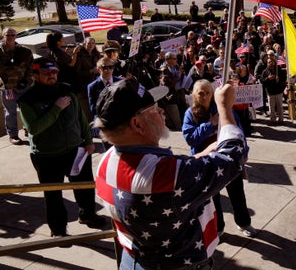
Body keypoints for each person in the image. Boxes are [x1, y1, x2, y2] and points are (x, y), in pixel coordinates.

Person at [94, 78, 247, 269]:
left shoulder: (105, 162)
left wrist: (197, 158)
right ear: (137, 124)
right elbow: (233, 158)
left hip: (133, 260)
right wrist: (224, 107)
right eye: (155, 108)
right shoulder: (168, 174)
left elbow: (165, 179)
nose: (161, 111)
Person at [17, 58, 106, 238]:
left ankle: (87, 215)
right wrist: (56, 108)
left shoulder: (66, 90)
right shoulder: (27, 99)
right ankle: (58, 230)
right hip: (47, 155)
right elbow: (33, 128)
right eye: (47, 73)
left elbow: (80, 117)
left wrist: (88, 141)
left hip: (76, 149)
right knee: (53, 195)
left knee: (85, 187)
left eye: (54, 72)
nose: (52, 76)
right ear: (35, 75)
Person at [182, 80, 256, 240]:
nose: (205, 96)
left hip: (227, 158)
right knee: (212, 199)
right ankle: (218, 227)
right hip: (206, 163)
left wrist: (244, 151)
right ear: (194, 95)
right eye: (201, 93)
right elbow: (190, 138)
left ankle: (243, 223)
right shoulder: (190, 113)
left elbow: (237, 130)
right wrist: (210, 124)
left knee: (237, 193)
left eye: (208, 92)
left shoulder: (222, 108)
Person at [0, 27, 34, 144]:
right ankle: (13, 135)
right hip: (8, 88)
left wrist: (26, 81)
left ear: (16, 36)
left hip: (24, 86)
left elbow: (30, 68)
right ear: (3, 36)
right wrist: (5, 65)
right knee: (10, 112)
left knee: (27, 109)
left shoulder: (25, 51)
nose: (10, 37)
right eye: (7, 35)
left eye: (12, 35)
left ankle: (28, 130)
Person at [260, 50, 287, 124]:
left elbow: (284, 78)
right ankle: (272, 120)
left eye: (272, 62)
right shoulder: (265, 71)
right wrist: (268, 79)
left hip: (278, 91)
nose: (271, 64)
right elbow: (262, 81)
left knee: (280, 107)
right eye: (269, 62)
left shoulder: (278, 69)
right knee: (271, 108)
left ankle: (281, 120)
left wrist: (279, 79)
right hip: (270, 92)